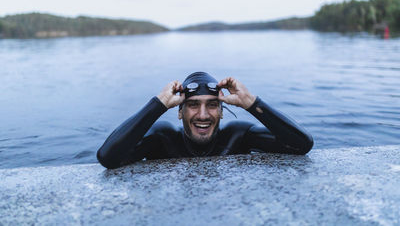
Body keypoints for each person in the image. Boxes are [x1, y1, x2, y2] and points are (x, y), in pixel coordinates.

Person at [97, 72, 313, 169]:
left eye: (212, 105)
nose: (202, 115)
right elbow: (108, 158)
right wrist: (158, 104)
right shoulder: (163, 138)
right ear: (179, 112)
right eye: (193, 105)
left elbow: (301, 145)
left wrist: (251, 103)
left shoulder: (238, 136)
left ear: (221, 111)